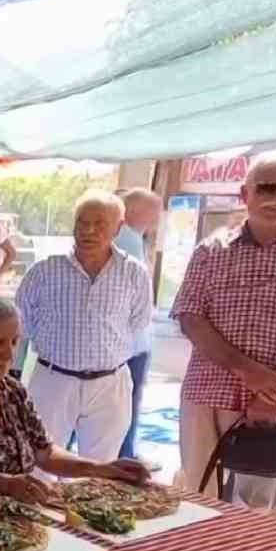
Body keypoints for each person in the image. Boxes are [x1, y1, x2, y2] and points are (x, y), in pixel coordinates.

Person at [172, 150, 276, 526]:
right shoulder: (212, 250)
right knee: (201, 496)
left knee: (266, 508)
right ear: (245, 194)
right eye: (266, 187)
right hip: (208, 394)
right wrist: (249, 373)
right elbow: (190, 317)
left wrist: (273, 391)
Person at [0, 297, 150, 503]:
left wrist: (101, 469)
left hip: (12, 510)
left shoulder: (12, 392)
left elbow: (45, 453)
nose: (8, 354)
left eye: (14, 342)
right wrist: (7, 484)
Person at [15, 191, 153, 463]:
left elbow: (139, 321)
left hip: (109, 384)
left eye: (99, 223)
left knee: (100, 469)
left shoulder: (134, 273)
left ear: (118, 227)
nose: (88, 230)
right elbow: (21, 323)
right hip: (53, 380)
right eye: (82, 222)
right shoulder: (45, 271)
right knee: (38, 464)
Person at [114, 187, 163, 462]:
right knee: (125, 402)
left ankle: (124, 452)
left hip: (130, 341)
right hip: (130, 344)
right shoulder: (126, 241)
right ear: (132, 211)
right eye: (152, 210)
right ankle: (125, 455)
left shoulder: (132, 239)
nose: (157, 216)